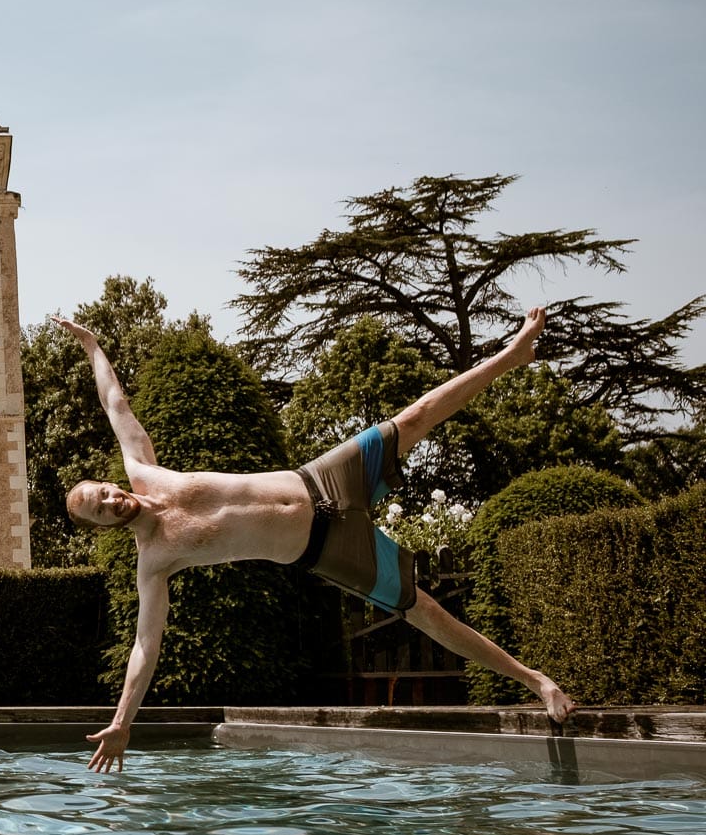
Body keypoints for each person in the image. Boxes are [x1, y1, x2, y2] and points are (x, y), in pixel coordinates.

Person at [60, 306, 573, 772]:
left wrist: (91, 345)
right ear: (102, 526)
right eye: (99, 510)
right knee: (424, 610)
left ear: (109, 482)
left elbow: (115, 403)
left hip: (321, 480)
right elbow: (145, 646)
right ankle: (537, 681)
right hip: (324, 548)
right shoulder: (154, 558)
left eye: (102, 491)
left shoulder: (145, 471)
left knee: (413, 417)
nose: (109, 500)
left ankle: (513, 353)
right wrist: (124, 721)